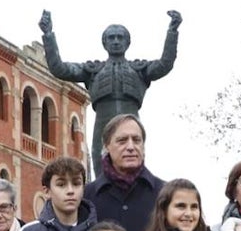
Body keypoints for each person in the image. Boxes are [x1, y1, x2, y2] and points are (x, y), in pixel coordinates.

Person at [39, 10, 181, 163]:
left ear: (127, 42)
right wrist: (48, 35)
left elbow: (165, 64)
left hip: (131, 123)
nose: (116, 41)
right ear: (105, 43)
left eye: (120, 37)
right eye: (111, 38)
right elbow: (59, 69)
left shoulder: (139, 69)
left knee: (133, 165)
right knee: (102, 171)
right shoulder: (93, 71)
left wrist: (172, 31)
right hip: (102, 125)